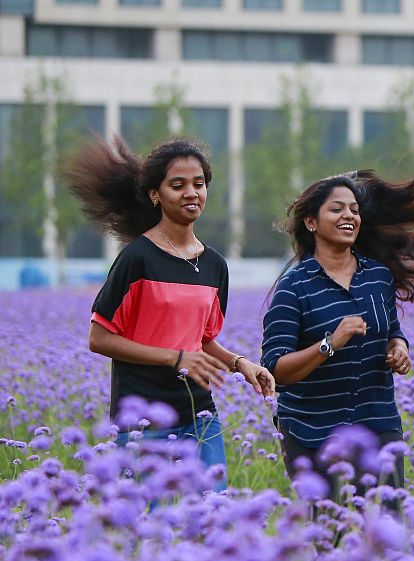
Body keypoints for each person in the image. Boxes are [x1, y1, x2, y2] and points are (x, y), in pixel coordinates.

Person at [67, 136, 275, 491]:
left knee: (214, 516)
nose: (191, 193)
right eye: (177, 185)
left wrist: (242, 364)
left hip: (199, 414)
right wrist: (175, 358)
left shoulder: (214, 265)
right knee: (148, 527)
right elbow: (99, 338)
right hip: (143, 420)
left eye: (199, 184)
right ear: (155, 194)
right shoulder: (137, 258)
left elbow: (203, 340)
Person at [261, 171, 414, 499]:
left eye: (354, 210)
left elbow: (392, 330)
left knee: (387, 523)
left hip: (377, 422)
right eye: (337, 209)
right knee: (333, 531)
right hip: (312, 431)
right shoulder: (293, 287)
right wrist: (330, 343)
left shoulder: (377, 277)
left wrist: (399, 347)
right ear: (311, 223)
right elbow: (276, 369)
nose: (349, 216)